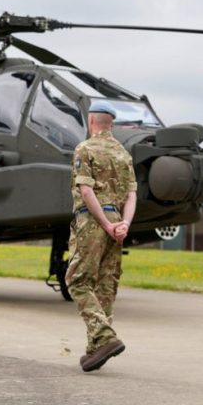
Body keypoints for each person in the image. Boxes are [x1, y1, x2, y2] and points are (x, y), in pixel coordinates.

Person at [65, 101, 137, 373]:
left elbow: (86, 191)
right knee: (105, 285)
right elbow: (132, 195)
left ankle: (104, 337)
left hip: (93, 221)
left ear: (91, 121)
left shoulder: (84, 149)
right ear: (111, 123)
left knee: (78, 280)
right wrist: (123, 224)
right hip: (118, 221)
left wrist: (105, 224)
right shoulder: (123, 154)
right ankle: (95, 348)